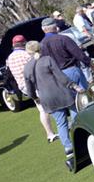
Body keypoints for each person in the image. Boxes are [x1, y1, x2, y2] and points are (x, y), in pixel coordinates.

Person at [23, 39, 85, 169]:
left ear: (28, 52)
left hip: (46, 98)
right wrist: (73, 85)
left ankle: (68, 147)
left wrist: (35, 98)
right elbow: (60, 76)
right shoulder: (47, 59)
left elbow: (29, 88)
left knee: (60, 123)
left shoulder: (27, 67)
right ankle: (80, 141)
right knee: (75, 115)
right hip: (61, 92)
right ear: (40, 48)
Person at [6, 36, 57, 143]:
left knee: (42, 108)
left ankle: (50, 133)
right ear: (23, 43)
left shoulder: (9, 58)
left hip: (23, 87)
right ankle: (57, 129)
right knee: (49, 105)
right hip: (35, 83)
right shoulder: (26, 54)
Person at [39, 17, 92, 90]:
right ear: (55, 27)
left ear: (43, 29)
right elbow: (78, 53)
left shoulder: (41, 45)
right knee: (84, 95)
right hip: (72, 70)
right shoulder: (63, 39)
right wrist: (89, 63)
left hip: (58, 76)